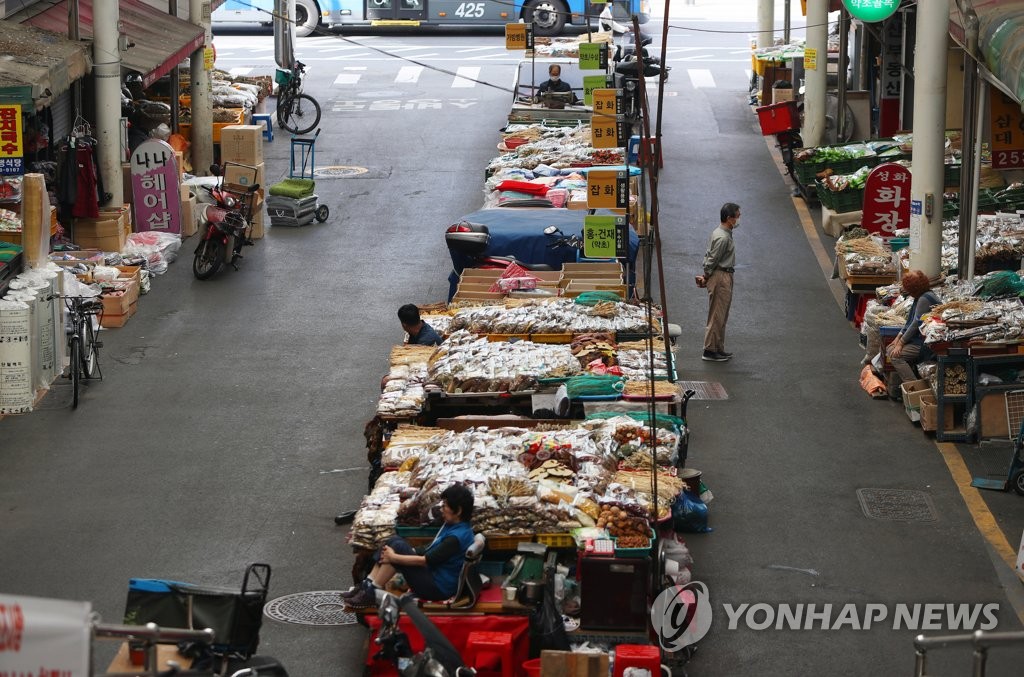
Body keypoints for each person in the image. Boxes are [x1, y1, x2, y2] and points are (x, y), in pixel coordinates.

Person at [343, 484, 477, 608]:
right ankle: (368, 585)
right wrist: (405, 552)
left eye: (445, 506)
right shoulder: (455, 527)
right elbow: (429, 548)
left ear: (458, 510)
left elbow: (425, 561)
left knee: (397, 548)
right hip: (433, 577)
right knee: (395, 541)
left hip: (437, 589)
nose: (441, 510)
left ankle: (371, 592)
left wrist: (394, 557)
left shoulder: (456, 537)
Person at [696, 203, 740, 362]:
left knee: (721, 314)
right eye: (737, 215)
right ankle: (710, 350)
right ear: (729, 218)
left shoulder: (722, 232)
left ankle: (718, 347)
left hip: (723, 275)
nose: (738, 219)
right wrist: (706, 276)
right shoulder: (722, 237)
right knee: (717, 315)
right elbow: (713, 259)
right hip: (721, 277)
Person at [887, 270, 940, 385]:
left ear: (914, 289)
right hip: (918, 339)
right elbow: (910, 322)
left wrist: (901, 342)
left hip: (924, 342)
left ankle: (914, 386)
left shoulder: (924, 299)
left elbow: (916, 323)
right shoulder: (922, 296)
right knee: (890, 348)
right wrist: (898, 337)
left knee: (895, 355)